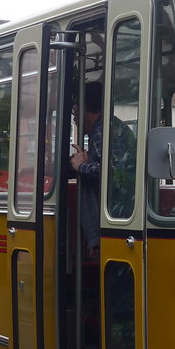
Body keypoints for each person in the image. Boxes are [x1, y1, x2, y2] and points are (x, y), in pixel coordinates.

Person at [69, 82, 105, 254]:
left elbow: (107, 173)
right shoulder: (105, 128)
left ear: (86, 109)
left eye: (76, 114)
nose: (75, 120)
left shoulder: (99, 132)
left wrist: (82, 166)